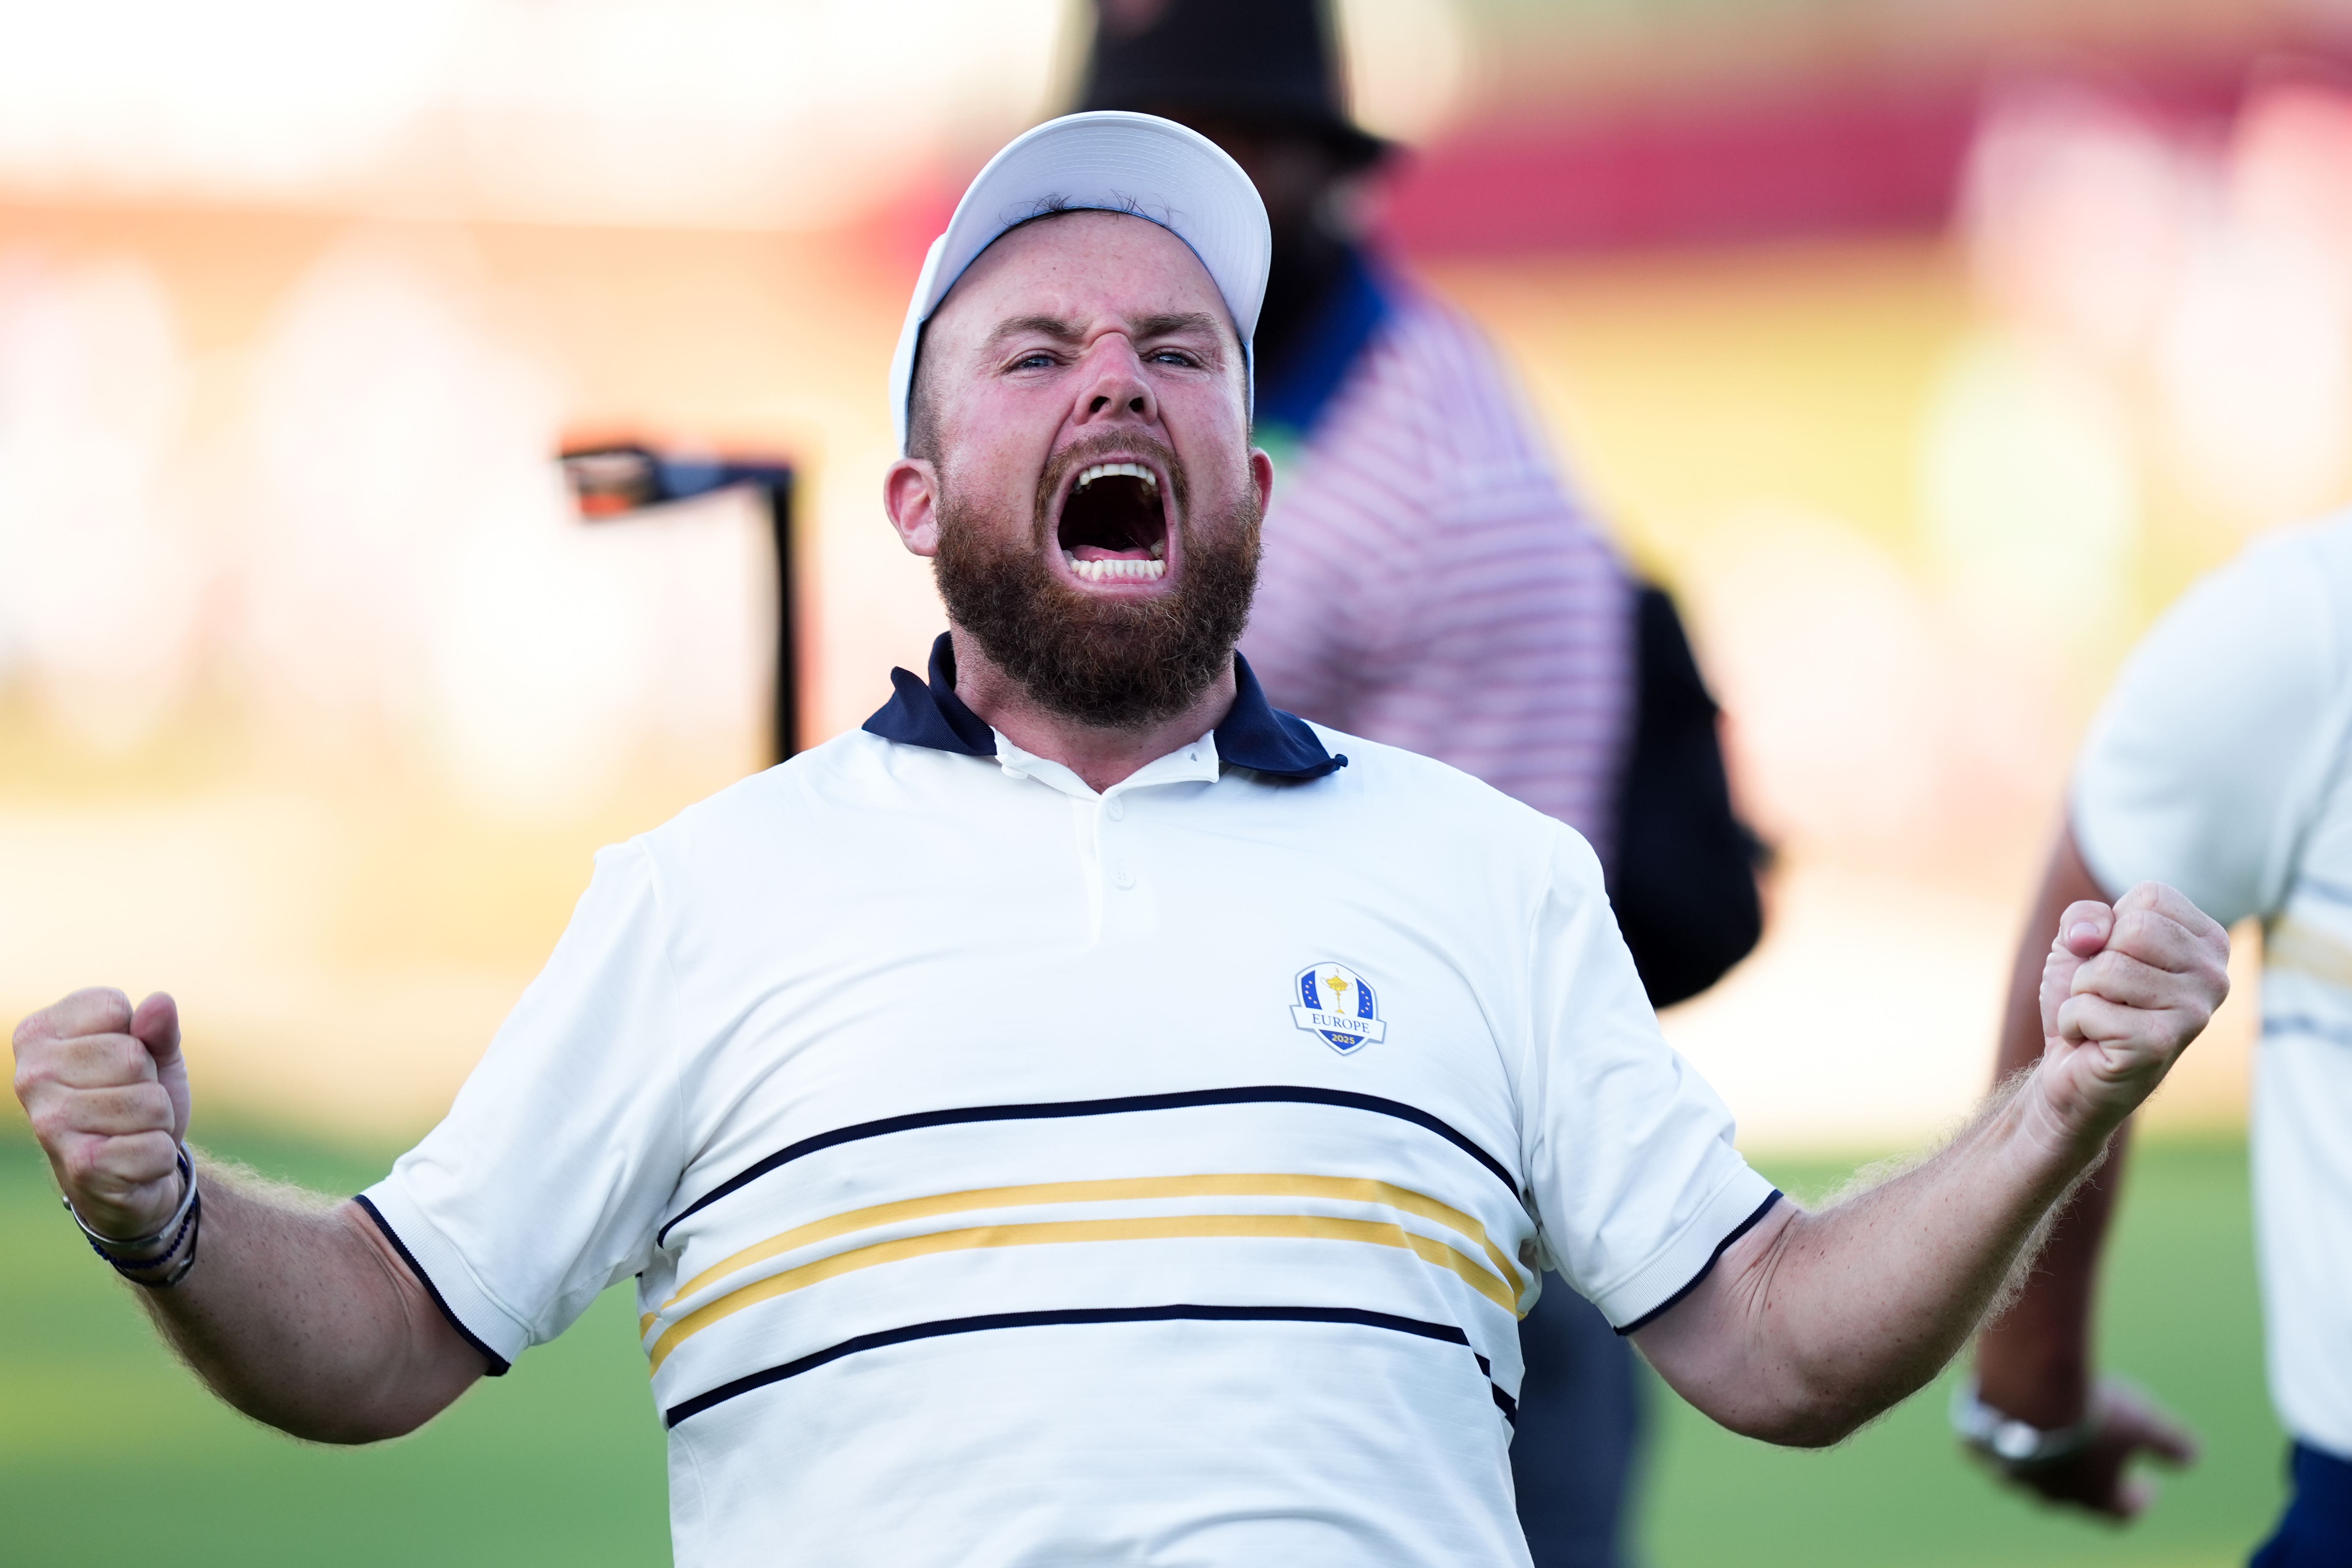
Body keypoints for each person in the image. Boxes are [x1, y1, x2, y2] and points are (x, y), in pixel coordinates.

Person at [16, 111, 2230, 1568]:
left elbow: (1771, 1340)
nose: (1118, 378)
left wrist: (2055, 1102)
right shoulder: (702, 900)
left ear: (1249, 487)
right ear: (914, 502)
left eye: (1181, 349)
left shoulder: (1484, 877)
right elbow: (389, 1330)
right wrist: (170, 1212)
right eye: (1037, 352)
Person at [1075, 6, 1764, 1561]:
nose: (1140, 228)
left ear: (1301, 167)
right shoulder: (1331, 394)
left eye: (1194, 165)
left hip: (1415, 1209)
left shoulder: (1395, 472)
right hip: (1361, 1175)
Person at [1964, 517, 2352, 1565]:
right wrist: (2033, 1384)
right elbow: (2088, 958)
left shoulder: (2302, 620)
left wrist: (2030, 1396)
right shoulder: (2298, 628)